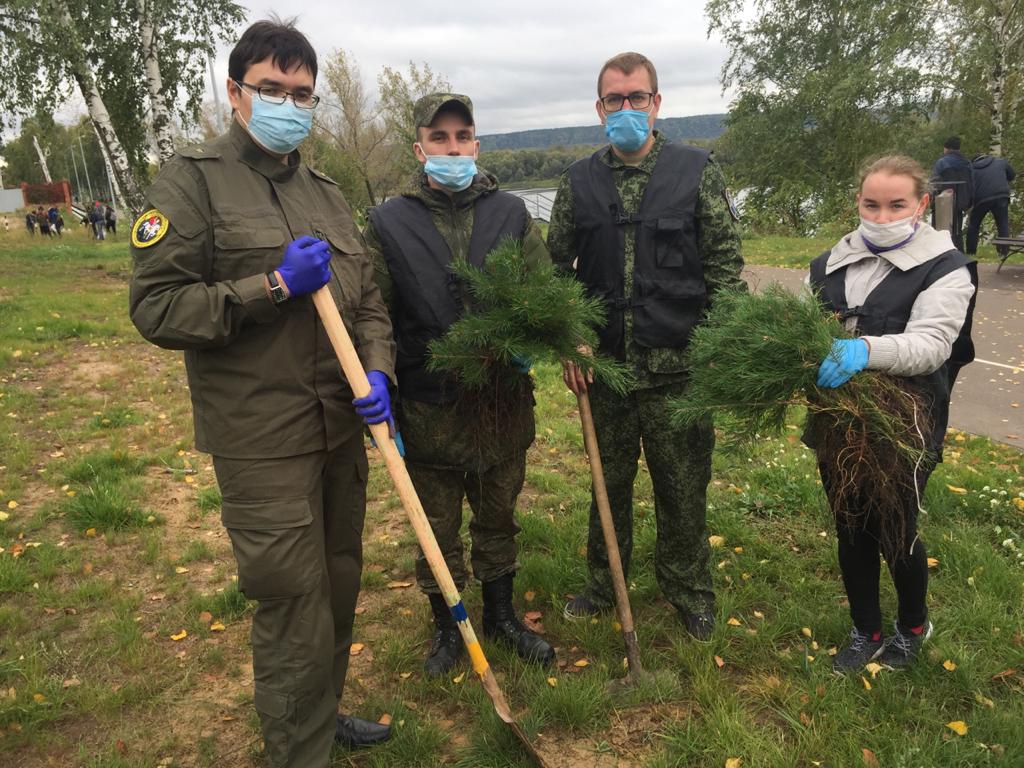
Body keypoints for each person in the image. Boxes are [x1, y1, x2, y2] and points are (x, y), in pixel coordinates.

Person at [129, 19, 395, 766]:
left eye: (302, 94)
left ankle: (321, 714)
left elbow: (369, 302)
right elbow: (158, 309)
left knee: (339, 581)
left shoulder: (325, 194)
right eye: (272, 89)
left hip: (339, 426)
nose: (289, 105)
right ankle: (297, 751)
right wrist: (272, 286)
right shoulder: (192, 182)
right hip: (261, 437)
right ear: (235, 92)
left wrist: (378, 371)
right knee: (291, 601)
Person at [548, 52, 745, 640]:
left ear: (656, 103)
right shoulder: (577, 182)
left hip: (679, 370)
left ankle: (688, 591)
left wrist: (722, 349)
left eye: (638, 97)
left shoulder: (696, 170)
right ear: (600, 108)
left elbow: (725, 268)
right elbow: (554, 274)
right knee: (606, 488)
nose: (627, 107)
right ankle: (603, 586)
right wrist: (572, 339)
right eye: (615, 99)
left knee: (682, 491)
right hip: (604, 371)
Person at [362, 93, 555, 676]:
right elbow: (374, 313)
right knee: (436, 526)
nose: (452, 149)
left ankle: (500, 615)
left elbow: (544, 293)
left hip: (500, 402)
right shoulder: (388, 222)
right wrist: (379, 382)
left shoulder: (510, 214)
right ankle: (448, 627)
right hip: (428, 406)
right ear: (419, 148)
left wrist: (531, 338)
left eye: (462, 137)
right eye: (439, 138)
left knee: (498, 515)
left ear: (476, 144)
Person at [807, 155, 975, 672]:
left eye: (896, 205)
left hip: (906, 424)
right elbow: (806, 328)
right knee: (850, 524)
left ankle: (913, 625)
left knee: (895, 528)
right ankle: (866, 629)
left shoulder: (945, 268)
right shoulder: (829, 263)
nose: (882, 217)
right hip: (840, 422)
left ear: (921, 204)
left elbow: (932, 344)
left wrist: (865, 350)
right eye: (871, 205)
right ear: (857, 203)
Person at [966, 152, 1015, 256]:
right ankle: (1004, 252)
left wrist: (968, 204)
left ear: (974, 161)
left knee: (974, 225)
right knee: (1002, 224)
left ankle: (971, 252)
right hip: (1001, 196)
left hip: (981, 199)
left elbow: (969, 188)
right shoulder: (1000, 162)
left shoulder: (971, 169)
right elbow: (1012, 175)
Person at [930, 136, 972, 251]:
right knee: (957, 227)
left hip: (943, 200)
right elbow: (972, 182)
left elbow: (934, 182)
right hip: (961, 200)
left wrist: (931, 199)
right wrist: (969, 200)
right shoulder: (967, 163)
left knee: (940, 228)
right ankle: (958, 250)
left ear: (946, 148)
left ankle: (940, 250)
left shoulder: (942, 162)